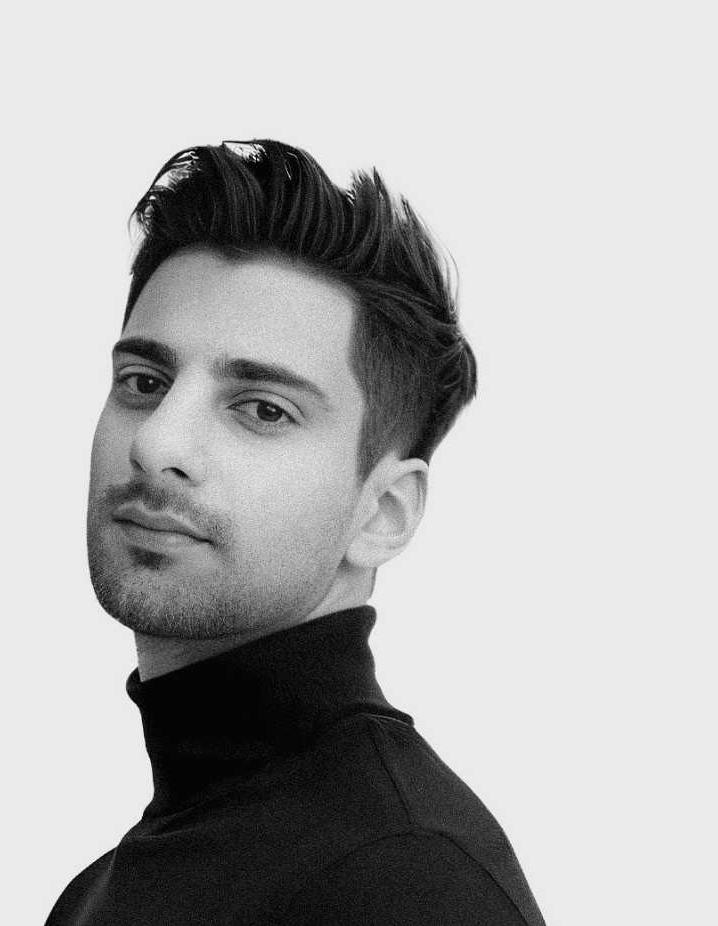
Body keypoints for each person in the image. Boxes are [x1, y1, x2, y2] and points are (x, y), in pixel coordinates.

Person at [44, 140, 546, 925]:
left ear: (383, 512)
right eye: (144, 382)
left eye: (263, 410)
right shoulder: (103, 889)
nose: (157, 442)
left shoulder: (407, 880)